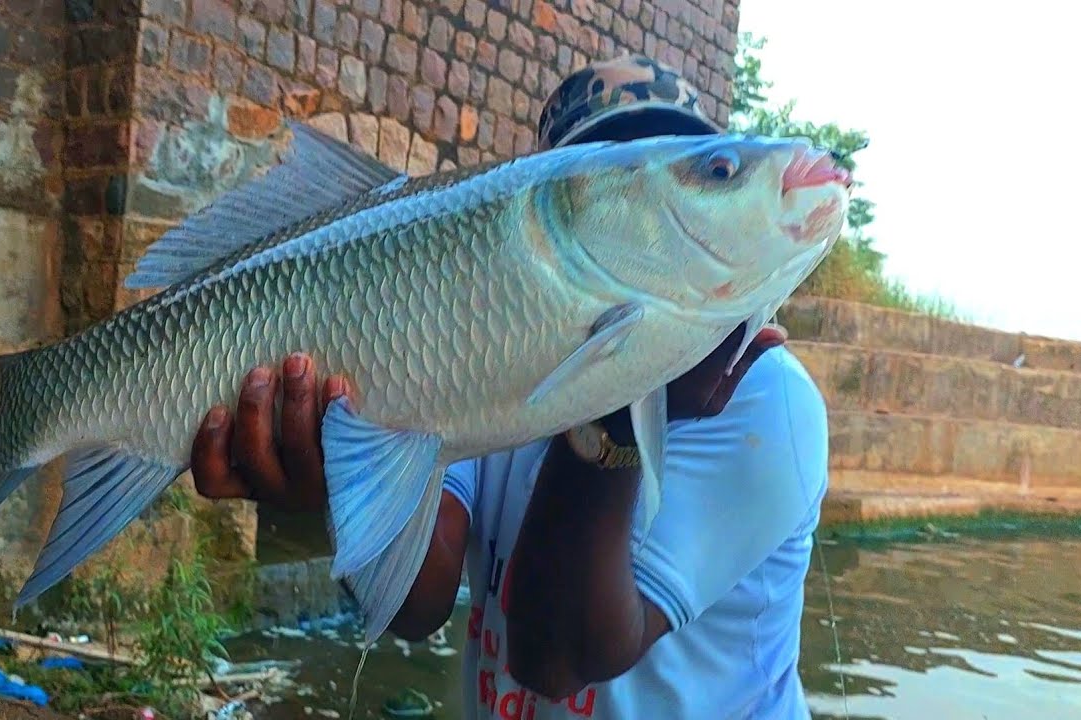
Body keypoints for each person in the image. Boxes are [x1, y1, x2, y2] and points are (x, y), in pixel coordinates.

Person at [190, 55, 830, 719]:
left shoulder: (765, 402)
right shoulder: (493, 345)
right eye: (607, 160)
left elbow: (555, 658)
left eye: (710, 168)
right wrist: (338, 481)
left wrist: (616, 419)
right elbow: (419, 602)